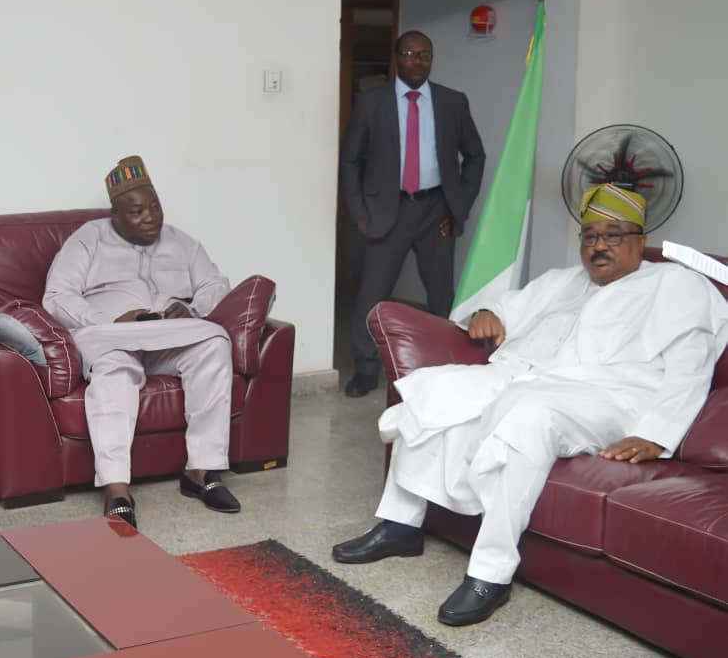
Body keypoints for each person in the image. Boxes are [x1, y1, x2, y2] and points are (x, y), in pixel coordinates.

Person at [332, 184, 728, 626]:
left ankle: (491, 572)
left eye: (613, 235)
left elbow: (691, 366)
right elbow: (505, 307)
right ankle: (400, 525)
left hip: (614, 398)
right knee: (435, 387)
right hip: (531, 379)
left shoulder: (675, 284)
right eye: (590, 236)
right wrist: (488, 313)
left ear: (640, 239)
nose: (598, 246)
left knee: (530, 416)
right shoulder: (564, 281)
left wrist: (656, 433)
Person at [43, 155, 240, 528]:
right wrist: (107, 320)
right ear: (115, 214)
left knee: (215, 343)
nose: (150, 217)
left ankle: (202, 471)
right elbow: (57, 296)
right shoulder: (88, 239)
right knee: (114, 370)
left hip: (169, 336)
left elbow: (215, 284)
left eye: (155, 207)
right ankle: (117, 489)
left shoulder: (183, 243)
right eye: (136, 212)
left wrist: (193, 308)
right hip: (112, 336)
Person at [340, 30, 486, 398]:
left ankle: (443, 365)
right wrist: (360, 211)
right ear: (397, 58)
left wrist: (458, 206)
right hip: (386, 211)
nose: (417, 61)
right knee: (372, 295)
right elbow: (350, 161)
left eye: (424, 54)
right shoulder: (372, 104)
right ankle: (366, 368)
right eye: (409, 53)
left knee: (441, 294)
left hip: (436, 210)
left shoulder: (453, 102)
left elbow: (475, 156)